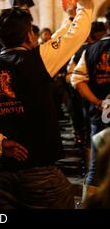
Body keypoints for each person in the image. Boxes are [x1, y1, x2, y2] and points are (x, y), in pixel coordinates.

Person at [0, 0, 93, 209]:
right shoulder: (39, 61)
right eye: (33, 33)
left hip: (1, 176)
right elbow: (78, 35)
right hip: (39, 174)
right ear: (28, 36)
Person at [71, 13, 110, 201]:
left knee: (96, 165)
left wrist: (97, 102)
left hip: (100, 115)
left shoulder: (92, 49)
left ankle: (89, 204)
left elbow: (77, 80)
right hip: (100, 115)